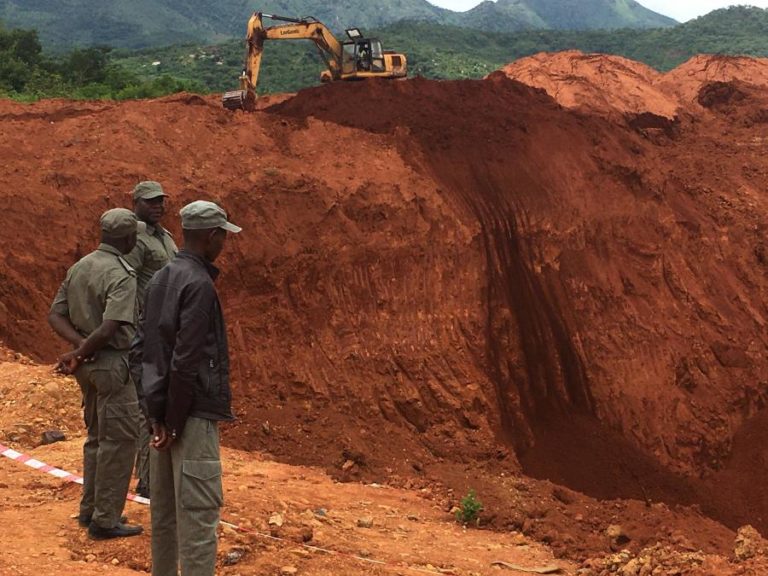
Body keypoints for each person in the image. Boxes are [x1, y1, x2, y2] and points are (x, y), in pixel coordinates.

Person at [137, 200, 241, 576]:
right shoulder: (199, 285)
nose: (224, 245)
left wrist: (155, 417)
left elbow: (143, 350)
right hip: (190, 418)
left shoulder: (160, 278)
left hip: (164, 416)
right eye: (223, 237)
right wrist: (175, 424)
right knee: (198, 521)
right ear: (211, 236)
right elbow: (186, 360)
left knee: (164, 517)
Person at [47, 208, 144, 540]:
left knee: (96, 438)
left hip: (86, 369)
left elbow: (55, 314)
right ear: (128, 238)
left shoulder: (81, 266)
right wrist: (85, 348)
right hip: (111, 364)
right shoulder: (122, 274)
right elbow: (110, 327)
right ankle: (106, 520)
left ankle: (90, 510)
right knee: (120, 441)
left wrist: (77, 349)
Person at [124, 180, 178, 499]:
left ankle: (158, 479)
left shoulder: (166, 237)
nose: (158, 205)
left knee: (161, 405)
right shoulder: (135, 239)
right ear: (136, 203)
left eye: (161, 200)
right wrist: (132, 335)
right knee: (148, 408)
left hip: (166, 334)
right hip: (145, 335)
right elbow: (125, 284)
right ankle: (147, 483)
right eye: (151, 201)